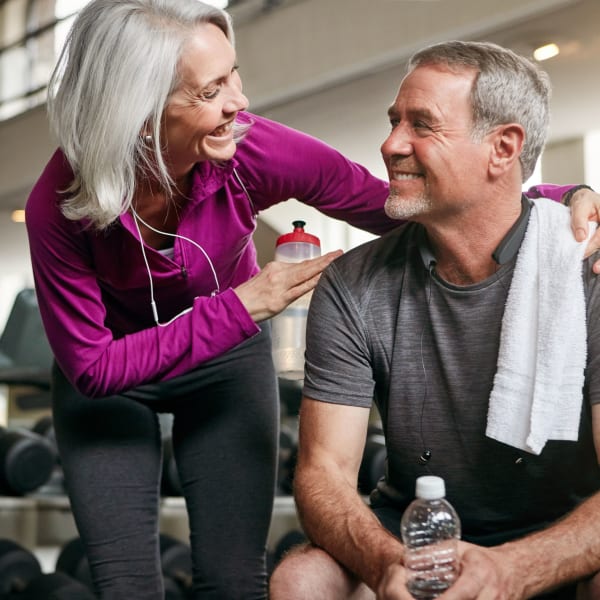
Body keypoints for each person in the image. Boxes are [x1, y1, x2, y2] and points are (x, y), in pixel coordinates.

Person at [24, 0, 598, 596]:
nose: (239, 101)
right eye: (211, 90)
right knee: (124, 586)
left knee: (232, 580)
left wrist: (552, 208)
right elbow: (91, 367)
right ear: (142, 115)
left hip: (222, 366)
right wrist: (245, 305)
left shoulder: (250, 148)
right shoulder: (59, 201)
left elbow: (392, 203)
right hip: (116, 373)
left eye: (234, 74)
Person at [269, 41, 600, 600]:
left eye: (421, 124)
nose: (391, 144)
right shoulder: (353, 284)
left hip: (560, 540)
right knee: (302, 577)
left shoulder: (586, 273)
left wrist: (513, 569)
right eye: (394, 122)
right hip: (410, 538)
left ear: (503, 147)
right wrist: (385, 565)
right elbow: (322, 475)